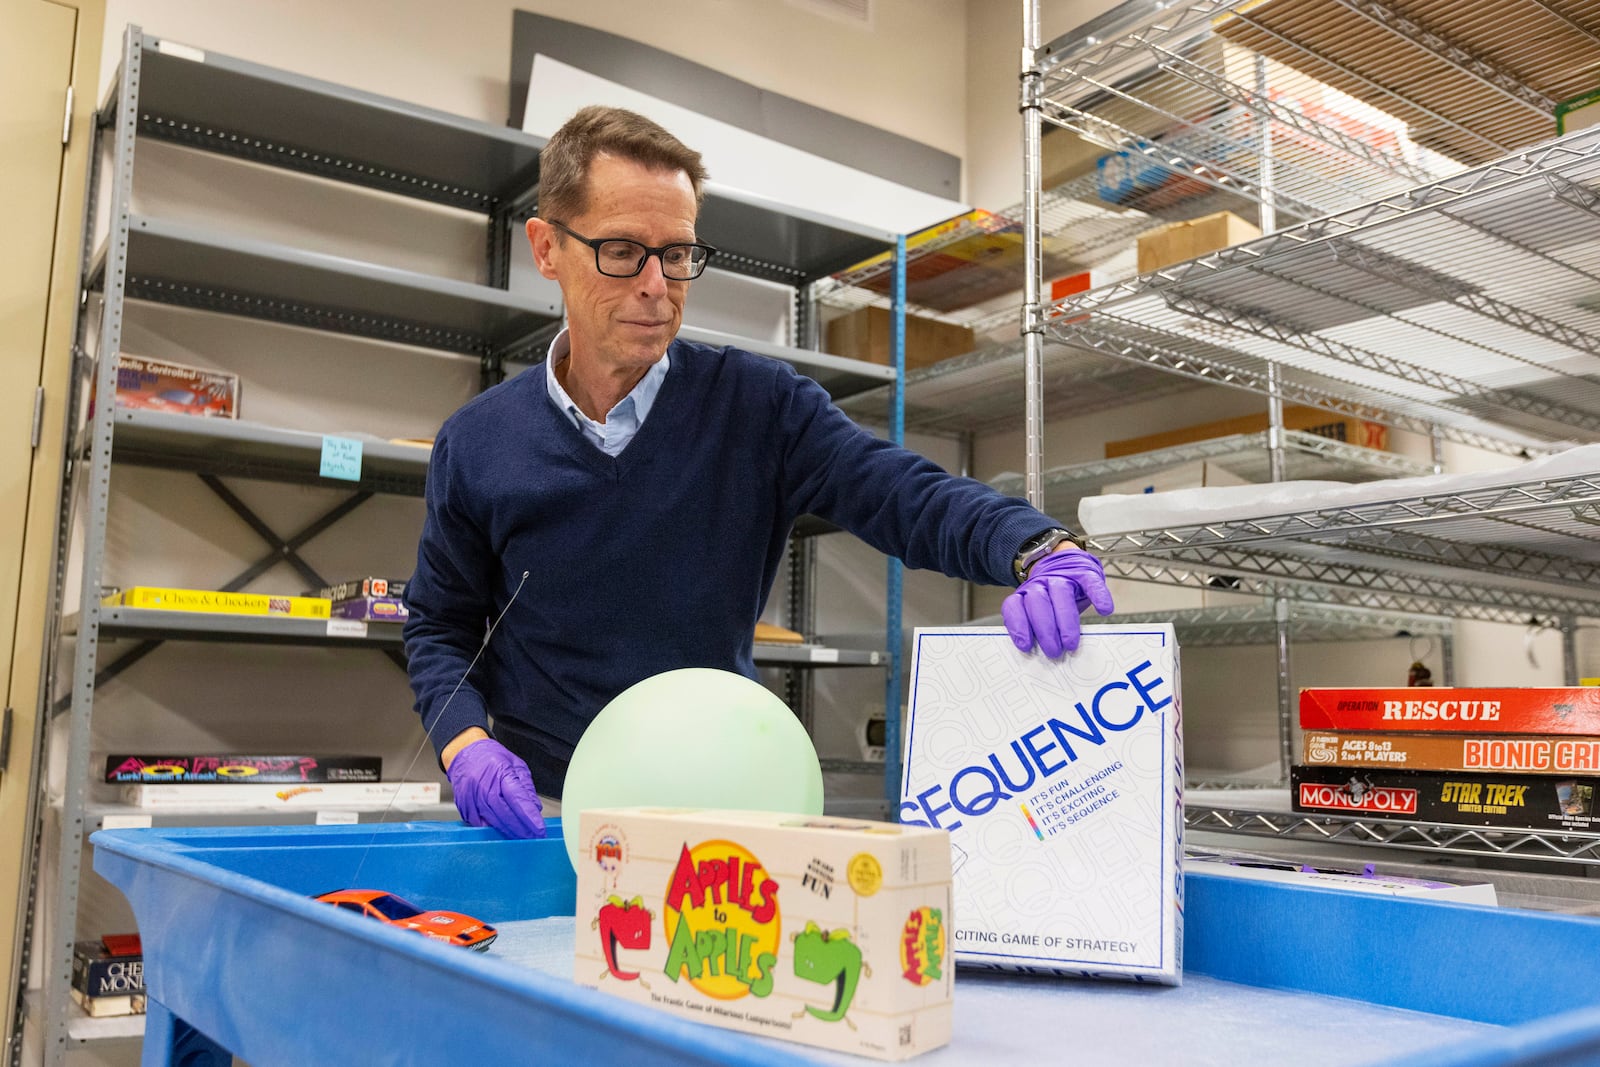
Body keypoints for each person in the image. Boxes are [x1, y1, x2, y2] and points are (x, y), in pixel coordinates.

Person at [402, 105, 1115, 841]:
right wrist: (465, 744)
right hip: (543, 812)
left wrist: (1033, 544)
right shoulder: (478, 441)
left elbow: (897, 489)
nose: (656, 284)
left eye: (676, 254)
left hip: (721, 811)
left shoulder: (759, 407)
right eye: (622, 250)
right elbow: (440, 624)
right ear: (548, 248)